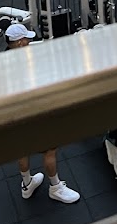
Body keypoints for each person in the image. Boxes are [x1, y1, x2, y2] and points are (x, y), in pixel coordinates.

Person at [5, 23, 81, 204]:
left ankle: (27, 184)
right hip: (34, 114)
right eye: (27, 39)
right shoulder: (27, 65)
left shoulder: (2, 61)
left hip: (14, 116)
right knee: (50, 151)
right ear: (20, 42)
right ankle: (55, 188)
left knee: (21, 150)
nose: (29, 42)